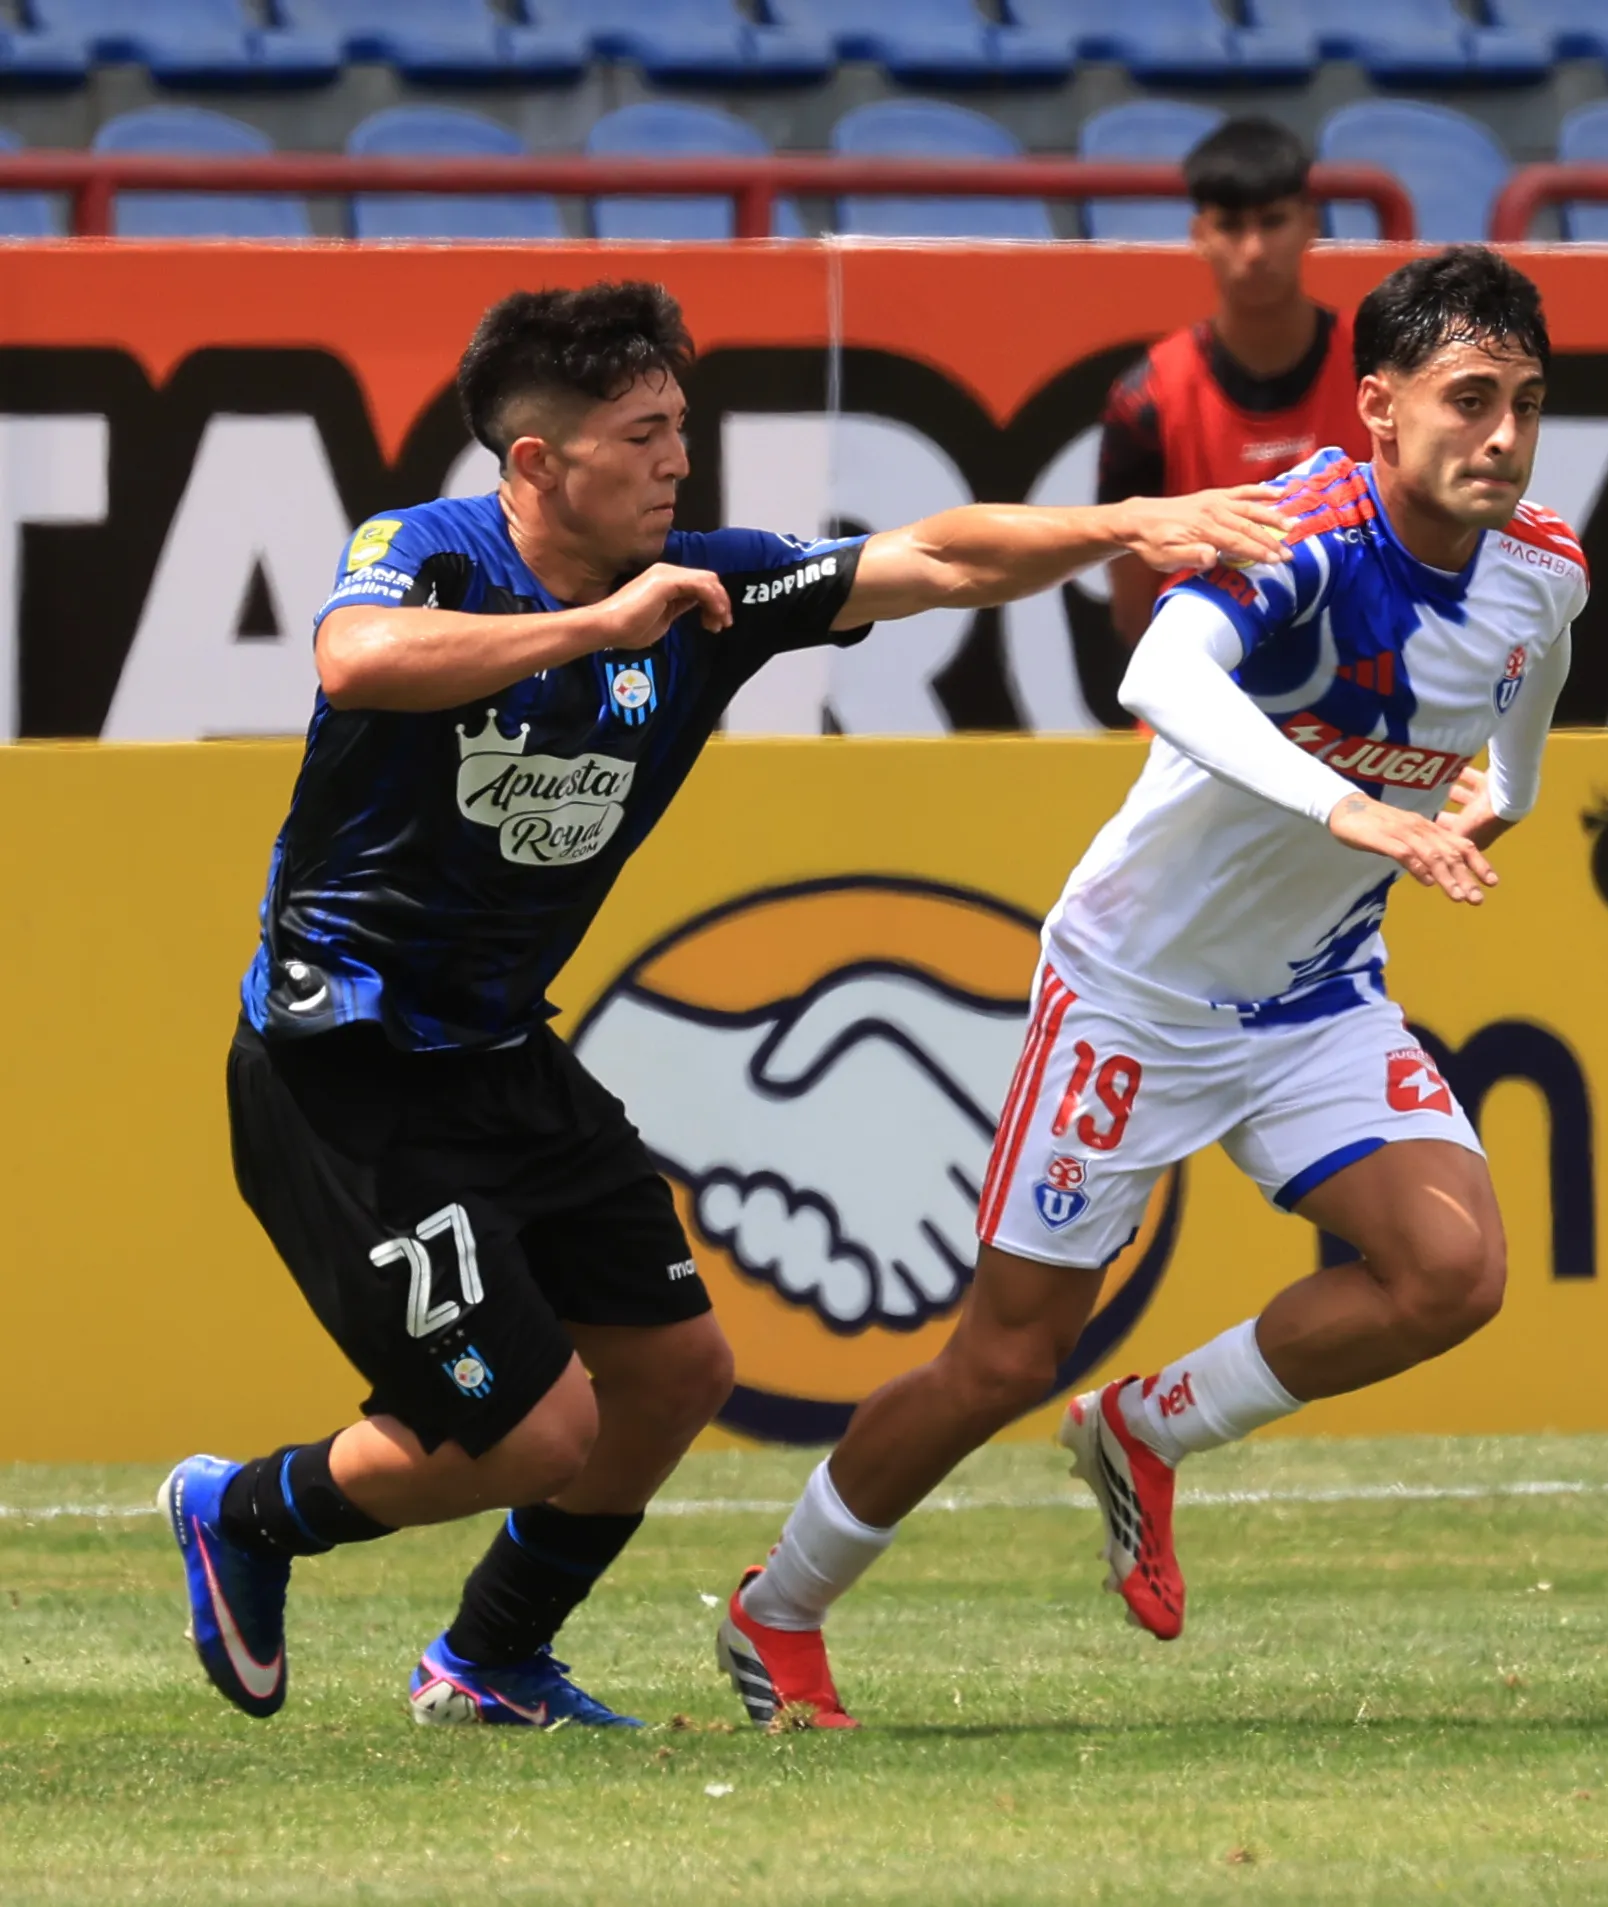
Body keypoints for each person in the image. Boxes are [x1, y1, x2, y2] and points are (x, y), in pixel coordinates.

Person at [158, 280, 1286, 1731]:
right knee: (533, 1429)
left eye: (681, 428)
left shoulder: (710, 588)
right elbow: (352, 660)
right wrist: (596, 627)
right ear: (535, 464)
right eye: (641, 434)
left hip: (501, 1049)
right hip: (346, 1058)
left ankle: (490, 1657)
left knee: (678, 1368)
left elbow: (934, 556)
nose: (678, 460)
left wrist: (1130, 526)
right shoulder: (427, 553)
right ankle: (242, 1512)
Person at [717, 246, 1585, 1729]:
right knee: (1000, 1353)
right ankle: (774, 1607)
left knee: (1455, 1274)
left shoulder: (1542, 565)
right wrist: (1356, 810)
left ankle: (1145, 1426)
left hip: (1312, 997)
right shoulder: (1303, 534)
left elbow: (1527, 703)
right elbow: (1161, 680)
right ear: (1378, 409)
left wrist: (1491, 798)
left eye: (1525, 402)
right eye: (1468, 398)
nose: (1501, 435)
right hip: (1131, 991)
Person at [1096, 115, 1372, 645]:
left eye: (1272, 222)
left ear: (1311, 223)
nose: (1253, 250)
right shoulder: (1146, 398)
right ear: (1199, 234)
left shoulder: (1380, 364)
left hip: (1362, 694)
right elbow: (1134, 612)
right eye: (1230, 226)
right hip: (1199, 693)